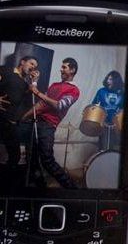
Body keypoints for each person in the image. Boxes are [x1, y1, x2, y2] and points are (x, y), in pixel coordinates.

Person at [24, 57, 80, 189]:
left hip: (48, 126)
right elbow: (42, 103)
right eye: (61, 67)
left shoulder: (74, 90)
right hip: (36, 122)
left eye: (64, 67)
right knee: (31, 159)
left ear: (72, 70)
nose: (60, 69)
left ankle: (72, 188)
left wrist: (37, 92)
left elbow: (60, 105)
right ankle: (40, 187)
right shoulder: (54, 85)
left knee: (47, 160)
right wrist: (24, 116)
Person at [0, 56, 38, 191]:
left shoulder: (23, 82)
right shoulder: (6, 71)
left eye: (35, 65)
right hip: (1, 119)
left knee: (14, 156)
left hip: (10, 123)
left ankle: (6, 189)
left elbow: (27, 96)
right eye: (31, 63)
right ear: (22, 62)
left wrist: (34, 82)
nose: (33, 67)